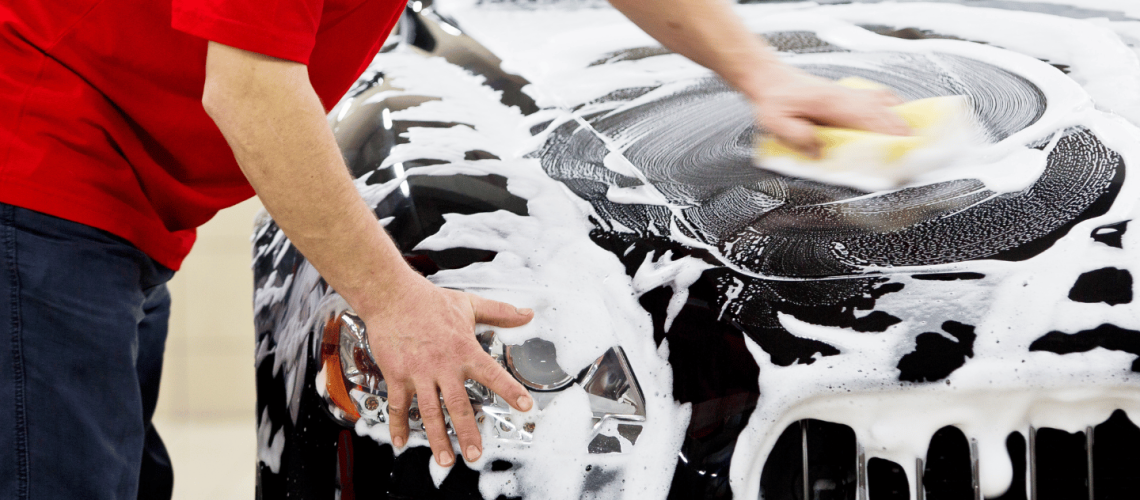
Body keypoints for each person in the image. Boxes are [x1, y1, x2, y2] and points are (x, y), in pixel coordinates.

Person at [0, 0, 908, 497]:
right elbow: (249, 98)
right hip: (37, 171)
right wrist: (394, 302)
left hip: (109, 200)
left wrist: (767, 76)